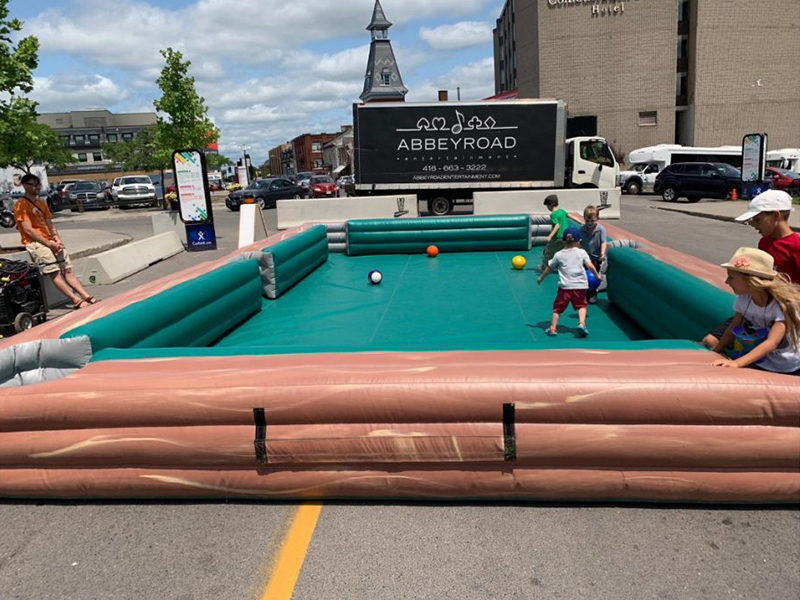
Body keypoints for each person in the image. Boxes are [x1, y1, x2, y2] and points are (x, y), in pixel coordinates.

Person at [705, 247, 800, 374]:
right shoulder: (744, 298)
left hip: (785, 364)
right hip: (761, 358)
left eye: (731, 277)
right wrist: (717, 351)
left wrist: (737, 363)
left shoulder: (781, 305)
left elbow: (772, 342)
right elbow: (733, 326)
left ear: (750, 280)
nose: (727, 281)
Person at [14, 173, 97, 309]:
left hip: (51, 240)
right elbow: (28, 230)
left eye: (38, 184)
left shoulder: (41, 202)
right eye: (33, 184)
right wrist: (48, 244)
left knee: (67, 270)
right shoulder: (21, 205)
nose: (37, 187)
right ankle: (76, 299)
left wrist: (57, 240)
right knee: (54, 271)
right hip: (36, 242)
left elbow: (50, 223)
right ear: (25, 186)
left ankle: (86, 296)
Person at [537, 226, 602, 337]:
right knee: (581, 306)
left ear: (563, 241)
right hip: (580, 286)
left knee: (557, 308)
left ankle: (552, 328)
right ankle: (581, 323)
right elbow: (590, 266)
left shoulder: (559, 255)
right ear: (579, 241)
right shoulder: (582, 253)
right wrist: (597, 276)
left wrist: (541, 277)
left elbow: (549, 268)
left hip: (565, 287)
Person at [734, 189, 799, 285]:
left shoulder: (796, 246)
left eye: (758, 220)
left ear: (776, 215)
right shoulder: (764, 242)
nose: (755, 226)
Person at [579, 205, 607, 304]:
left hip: (596, 257)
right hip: (585, 257)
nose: (590, 223)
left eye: (592, 221)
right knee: (584, 275)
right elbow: (579, 242)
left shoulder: (601, 229)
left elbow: (603, 242)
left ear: (597, 219)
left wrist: (602, 254)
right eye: (587, 221)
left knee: (594, 277)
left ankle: (593, 293)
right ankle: (585, 293)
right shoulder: (582, 229)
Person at [540, 194, 569, 270]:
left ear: (551, 205)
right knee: (563, 253)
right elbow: (569, 216)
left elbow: (557, 225)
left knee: (549, 252)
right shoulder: (562, 211)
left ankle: (544, 267)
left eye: (547, 206)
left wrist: (550, 236)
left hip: (557, 237)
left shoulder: (553, 214)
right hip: (566, 237)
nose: (547, 208)